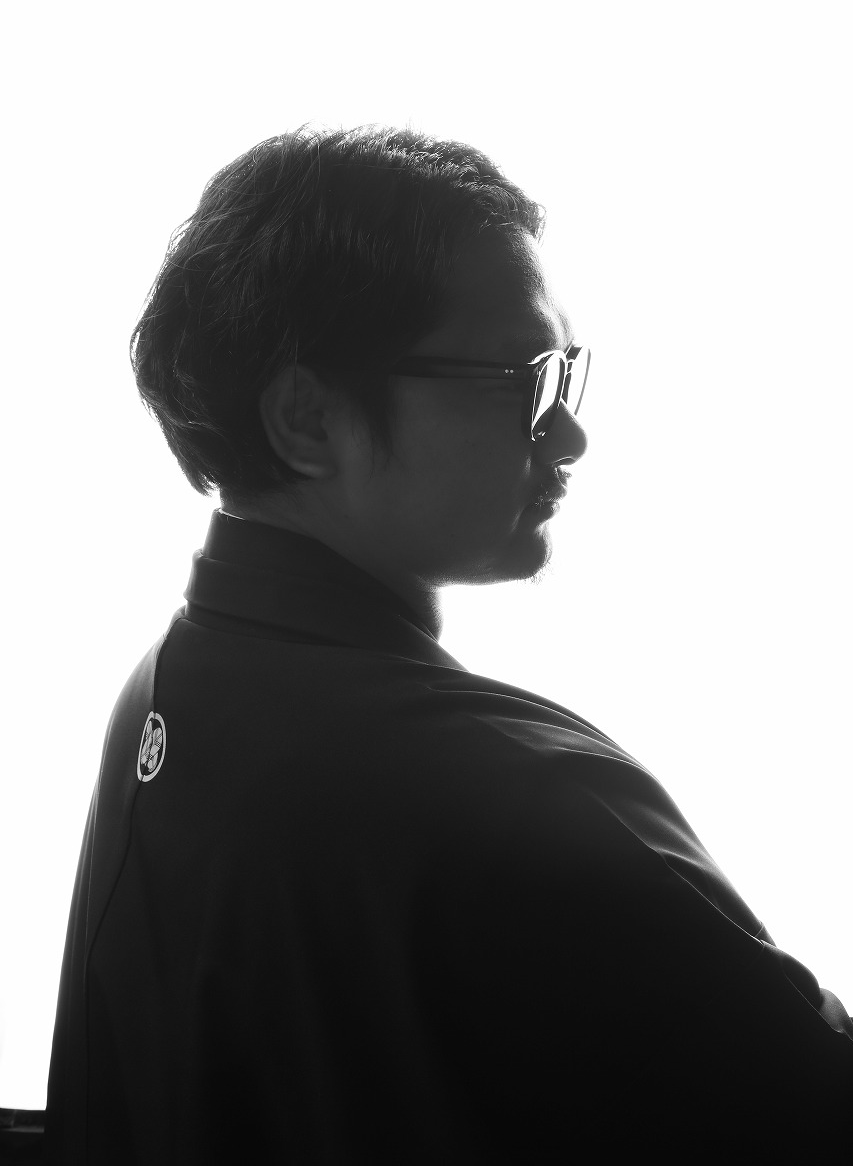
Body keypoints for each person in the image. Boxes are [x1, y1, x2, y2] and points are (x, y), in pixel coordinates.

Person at [45, 126, 852, 1163]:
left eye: (565, 374)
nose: (567, 434)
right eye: (523, 378)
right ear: (307, 419)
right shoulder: (511, 788)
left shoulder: (170, 688)